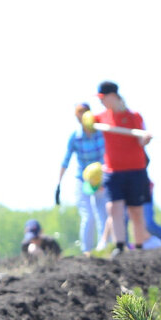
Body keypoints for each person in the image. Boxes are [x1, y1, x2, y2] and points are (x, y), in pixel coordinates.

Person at [92, 81, 152, 256]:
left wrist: (145, 139)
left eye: (103, 98)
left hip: (135, 170)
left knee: (135, 210)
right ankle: (119, 246)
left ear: (113, 96)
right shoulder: (100, 118)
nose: (101, 102)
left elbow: (141, 140)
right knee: (114, 208)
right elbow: (85, 121)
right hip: (112, 170)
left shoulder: (134, 117)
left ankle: (139, 248)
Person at [58, 103, 108, 255]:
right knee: (88, 215)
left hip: (101, 177)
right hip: (83, 180)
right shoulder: (75, 137)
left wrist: (104, 175)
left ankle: (104, 247)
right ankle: (86, 250)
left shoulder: (101, 133)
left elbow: (108, 155)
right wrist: (58, 184)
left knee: (103, 214)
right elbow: (66, 160)